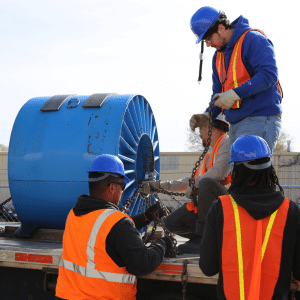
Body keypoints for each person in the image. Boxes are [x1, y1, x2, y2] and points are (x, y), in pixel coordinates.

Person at [56, 154, 172, 300]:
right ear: (112, 187)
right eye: (122, 186)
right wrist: (163, 243)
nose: (122, 191)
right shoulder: (117, 223)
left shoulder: (74, 214)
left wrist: (146, 218)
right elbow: (143, 264)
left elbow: (107, 234)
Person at [200, 135, 300, 299]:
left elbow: (208, 267)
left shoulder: (221, 209)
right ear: (269, 168)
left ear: (236, 170)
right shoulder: (291, 211)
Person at [190, 6, 283, 153]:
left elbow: (268, 74)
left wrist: (235, 94)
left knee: (251, 173)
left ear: (221, 28)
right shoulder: (218, 57)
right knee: (241, 175)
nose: (208, 44)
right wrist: (207, 116)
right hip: (235, 123)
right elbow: (218, 94)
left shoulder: (253, 40)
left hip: (259, 118)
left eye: (208, 38)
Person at [139, 113, 231, 254]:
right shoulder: (210, 156)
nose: (200, 134)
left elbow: (219, 173)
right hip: (211, 207)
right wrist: (159, 186)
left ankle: (201, 240)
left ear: (210, 127)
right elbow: (188, 182)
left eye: (201, 129)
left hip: (225, 206)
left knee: (206, 183)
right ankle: (211, 239)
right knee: (171, 222)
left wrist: (195, 185)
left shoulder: (227, 143)